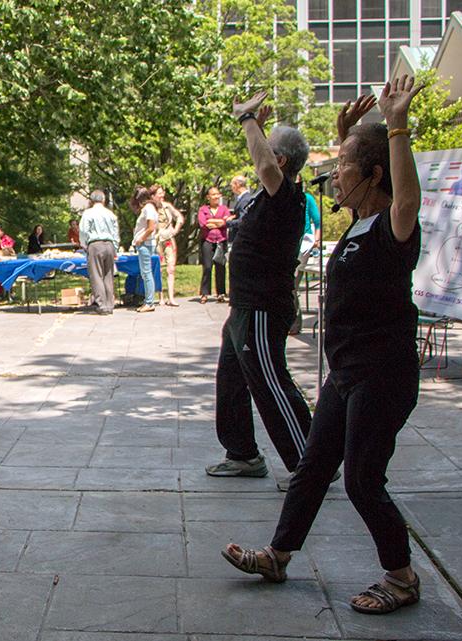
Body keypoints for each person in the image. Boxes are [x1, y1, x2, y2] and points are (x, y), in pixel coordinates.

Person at [222, 76, 427, 616]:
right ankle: (279, 555)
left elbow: (405, 194)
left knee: (362, 480)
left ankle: (402, 577)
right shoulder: (360, 222)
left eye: (345, 168)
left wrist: (397, 124)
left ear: (374, 176)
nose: (334, 176)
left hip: (383, 373)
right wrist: (348, 137)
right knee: (313, 467)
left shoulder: (394, 226)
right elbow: (365, 174)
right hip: (348, 372)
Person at [205, 93, 312, 481]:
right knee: (232, 380)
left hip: (263, 309)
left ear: (280, 162)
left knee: (271, 383)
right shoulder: (273, 197)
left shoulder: (285, 197)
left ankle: (308, 464)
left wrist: (247, 118)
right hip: (244, 307)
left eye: (268, 151)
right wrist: (260, 130)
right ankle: (243, 454)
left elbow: (266, 165)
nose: (259, 158)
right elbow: (268, 162)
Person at [290, 176, 323, 334]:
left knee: (293, 285)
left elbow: (317, 220)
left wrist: (316, 239)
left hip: (303, 245)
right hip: (288, 245)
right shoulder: (284, 198)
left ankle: (295, 323)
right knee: (288, 287)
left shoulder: (307, 198)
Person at [79, 189, 120, 315]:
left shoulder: (88, 213)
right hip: (109, 244)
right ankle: (110, 304)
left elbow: (83, 230)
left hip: (95, 244)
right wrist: (116, 248)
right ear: (103, 200)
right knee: (109, 275)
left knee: (97, 275)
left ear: (91, 200)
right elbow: (115, 232)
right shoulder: (110, 214)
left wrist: (84, 245)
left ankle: (101, 305)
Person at [150, 185, 184, 306]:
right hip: (156, 241)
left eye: (162, 193)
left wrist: (176, 229)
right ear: (153, 196)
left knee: (171, 268)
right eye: (158, 194)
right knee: (158, 268)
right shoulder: (150, 208)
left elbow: (179, 216)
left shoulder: (167, 206)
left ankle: (171, 297)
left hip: (169, 239)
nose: (161, 195)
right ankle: (161, 296)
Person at [198, 186, 232, 304]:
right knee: (207, 267)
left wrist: (217, 222)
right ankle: (205, 293)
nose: (216, 197)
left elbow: (227, 222)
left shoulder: (224, 209)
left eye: (217, 194)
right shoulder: (203, 209)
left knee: (220, 266)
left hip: (221, 240)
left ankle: (221, 293)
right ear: (208, 197)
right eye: (213, 195)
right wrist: (220, 222)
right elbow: (204, 223)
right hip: (207, 240)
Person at [130, 186, 159, 313]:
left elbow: (151, 227)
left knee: (146, 273)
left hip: (145, 244)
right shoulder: (149, 208)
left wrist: (140, 239)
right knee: (145, 273)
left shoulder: (148, 209)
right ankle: (148, 300)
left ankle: (149, 302)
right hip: (145, 244)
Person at [227, 175, 252, 248]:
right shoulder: (242, 199)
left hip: (241, 240)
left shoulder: (245, 200)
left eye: (232, 185)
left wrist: (226, 223)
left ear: (237, 184)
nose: (231, 187)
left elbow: (243, 221)